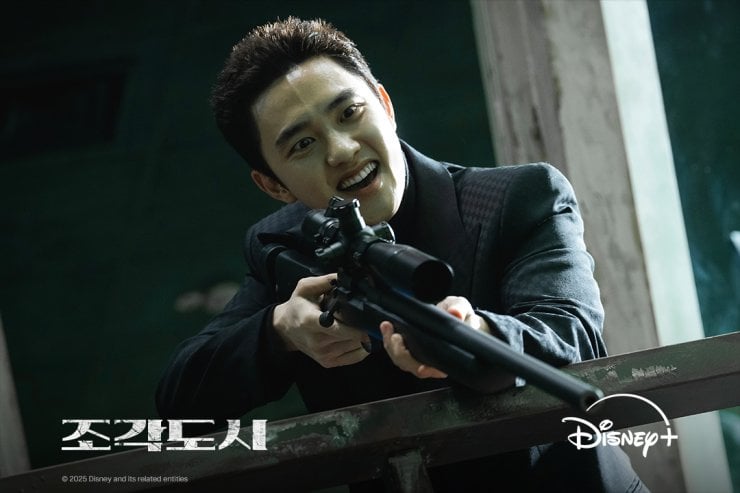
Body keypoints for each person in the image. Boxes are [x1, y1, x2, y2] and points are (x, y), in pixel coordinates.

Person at [156, 16, 646, 492]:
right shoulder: (281, 244)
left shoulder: (518, 197)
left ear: (385, 105)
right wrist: (280, 332)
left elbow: (573, 335)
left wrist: (475, 333)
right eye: (303, 143)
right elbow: (178, 401)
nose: (341, 150)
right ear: (273, 185)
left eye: (349, 113)